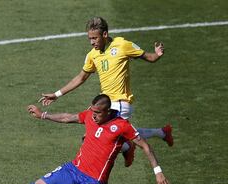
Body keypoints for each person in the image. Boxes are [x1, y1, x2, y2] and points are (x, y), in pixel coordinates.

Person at [38, 17, 173, 166]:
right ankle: (159, 134)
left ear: (104, 34)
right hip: (104, 105)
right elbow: (81, 77)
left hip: (121, 103)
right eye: (89, 38)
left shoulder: (122, 45)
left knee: (99, 137)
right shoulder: (92, 55)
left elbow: (149, 57)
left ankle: (128, 147)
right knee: (118, 134)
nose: (92, 42)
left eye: (94, 38)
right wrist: (57, 94)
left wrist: (158, 54)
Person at [16, 94, 170, 184]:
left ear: (108, 111)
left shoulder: (122, 126)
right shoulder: (90, 115)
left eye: (97, 112)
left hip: (93, 181)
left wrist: (158, 172)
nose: (93, 115)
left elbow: (146, 146)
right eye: (92, 111)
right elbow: (68, 118)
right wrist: (43, 114)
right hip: (73, 169)